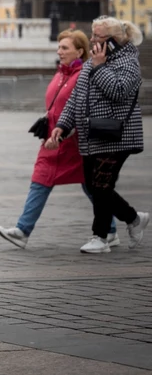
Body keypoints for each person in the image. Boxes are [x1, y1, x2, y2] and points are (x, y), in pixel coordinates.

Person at [0, 30, 122, 248]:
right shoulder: (61, 74)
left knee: (92, 187)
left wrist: (64, 132)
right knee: (41, 179)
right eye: (59, 47)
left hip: (74, 143)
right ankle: (22, 230)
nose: (59, 51)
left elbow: (83, 109)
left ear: (80, 51)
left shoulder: (84, 74)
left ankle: (122, 222)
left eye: (65, 48)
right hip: (52, 140)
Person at [49, 17, 147, 254]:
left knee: (101, 186)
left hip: (117, 136)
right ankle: (134, 218)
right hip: (92, 134)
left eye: (98, 37)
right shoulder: (90, 62)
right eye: (92, 36)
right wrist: (63, 124)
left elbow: (118, 91)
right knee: (95, 186)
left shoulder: (128, 63)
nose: (92, 40)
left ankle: (100, 237)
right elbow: (76, 97)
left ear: (113, 41)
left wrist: (100, 66)